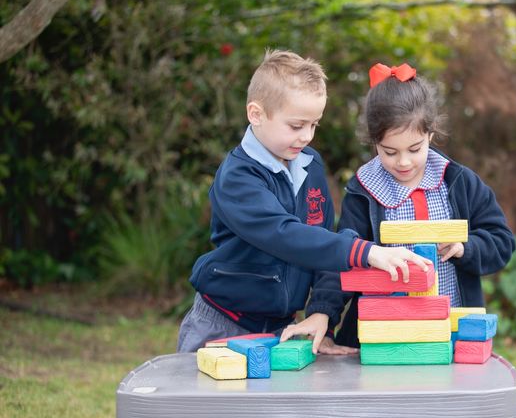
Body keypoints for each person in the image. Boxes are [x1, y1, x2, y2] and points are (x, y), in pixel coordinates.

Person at [177, 50, 430, 355]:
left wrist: (321, 315)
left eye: (314, 125)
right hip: (223, 323)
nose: (306, 136)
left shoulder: (310, 165)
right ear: (256, 114)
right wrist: (365, 252)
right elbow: (285, 234)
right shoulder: (237, 178)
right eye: (296, 126)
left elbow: (323, 245)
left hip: (283, 328)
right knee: (207, 402)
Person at [330, 63, 516, 348]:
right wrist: (323, 313)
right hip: (384, 334)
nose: (403, 162)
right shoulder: (362, 192)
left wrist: (466, 248)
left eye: (414, 149)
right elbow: (340, 260)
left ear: (430, 134)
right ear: (374, 142)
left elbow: (502, 242)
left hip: (449, 330)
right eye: (389, 152)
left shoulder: (458, 182)